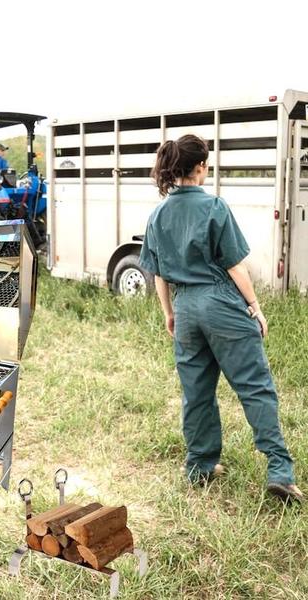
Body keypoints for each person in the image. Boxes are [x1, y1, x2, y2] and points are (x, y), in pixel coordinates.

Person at [139, 134, 303, 503]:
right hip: (220, 302)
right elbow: (234, 266)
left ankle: (200, 466)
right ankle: (279, 470)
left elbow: (159, 274)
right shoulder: (214, 206)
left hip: (185, 309)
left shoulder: (158, 214)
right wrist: (256, 307)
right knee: (254, 386)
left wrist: (170, 313)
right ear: (199, 167)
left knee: (196, 392)